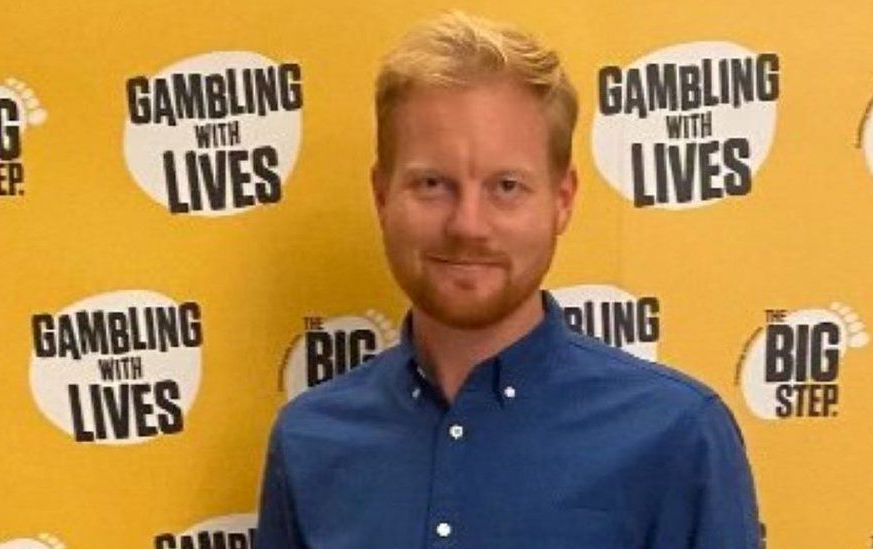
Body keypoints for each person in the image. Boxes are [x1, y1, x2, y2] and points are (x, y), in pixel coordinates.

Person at [257, 11, 760, 548]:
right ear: (383, 198)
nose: (468, 225)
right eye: (432, 183)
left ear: (561, 201)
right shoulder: (308, 440)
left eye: (506, 186)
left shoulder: (677, 435)